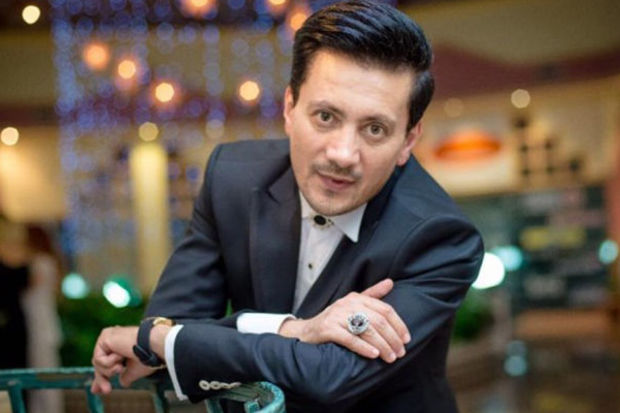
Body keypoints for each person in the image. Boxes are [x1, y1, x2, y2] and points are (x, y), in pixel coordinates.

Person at [91, 1, 484, 412]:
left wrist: (169, 340)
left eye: (374, 128)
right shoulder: (232, 179)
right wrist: (294, 330)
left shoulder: (440, 236)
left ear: (407, 141)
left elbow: (328, 375)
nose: (343, 154)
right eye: (326, 116)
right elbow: (169, 331)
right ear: (289, 109)